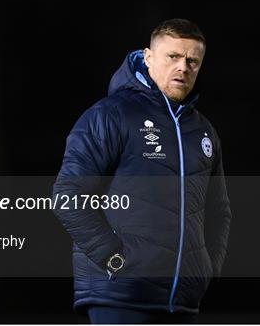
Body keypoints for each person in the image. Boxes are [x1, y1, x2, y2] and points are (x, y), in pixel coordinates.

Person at [52, 18, 231, 324]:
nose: (183, 67)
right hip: (120, 295)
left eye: (192, 61)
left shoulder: (203, 132)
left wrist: (206, 268)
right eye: (173, 57)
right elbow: (68, 196)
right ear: (148, 57)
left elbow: (219, 210)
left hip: (181, 300)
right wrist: (114, 258)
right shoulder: (110, 115)